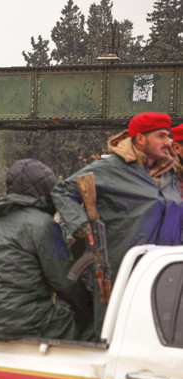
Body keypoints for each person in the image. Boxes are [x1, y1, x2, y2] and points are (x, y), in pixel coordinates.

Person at [51, 111, 183, 334]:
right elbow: (63, 191)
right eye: (161, 136)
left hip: (163, 272)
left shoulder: (169, 172)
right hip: (120, 271)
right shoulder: (111, 168)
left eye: (169, 136)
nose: (168, 142)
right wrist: (83, 226)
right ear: (140, 139)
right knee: (112, 333)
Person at [0, 159, 91, 341]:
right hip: (24, 323)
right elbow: (65, 283)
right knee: (90, 328)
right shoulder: (44, 225)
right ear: (45, 191)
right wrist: (89, 307)